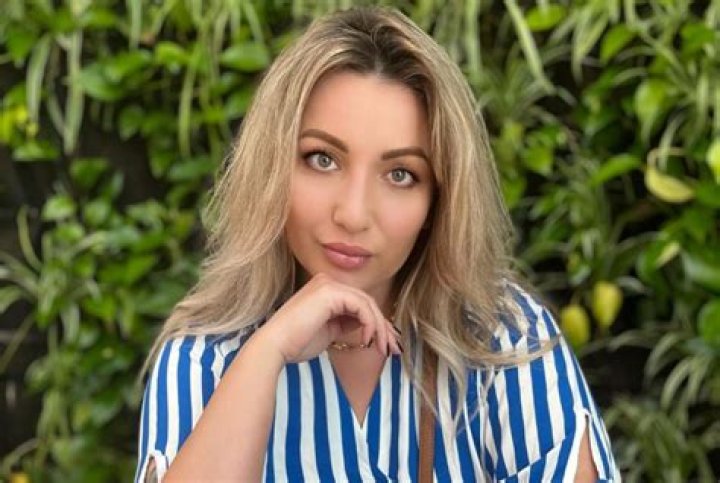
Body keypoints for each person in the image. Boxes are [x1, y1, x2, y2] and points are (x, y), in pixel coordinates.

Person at [135, 6, 618, 482]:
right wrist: (266, 353)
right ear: (272, 167)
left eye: (401, 174)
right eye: (322, 159)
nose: (353, 214)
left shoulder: (502, 338)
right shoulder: (204, 360)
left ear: (438, 200)